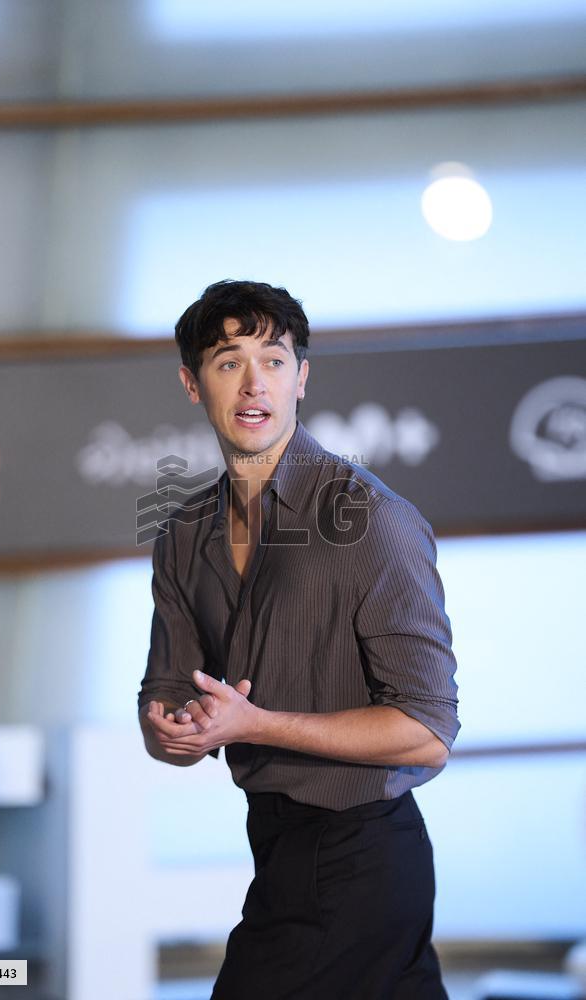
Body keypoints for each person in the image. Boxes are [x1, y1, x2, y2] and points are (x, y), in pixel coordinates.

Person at [137, 279, 460, 1000]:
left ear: (302, 377)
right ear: (192, 383)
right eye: (228, 362)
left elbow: (428, 732)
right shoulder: (182, 534)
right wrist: (172, 732)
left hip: (361, 852)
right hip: (275, 845)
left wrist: (255, 725)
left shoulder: (371, 519)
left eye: (274, 361)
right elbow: (166, 692)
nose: (254, 384)